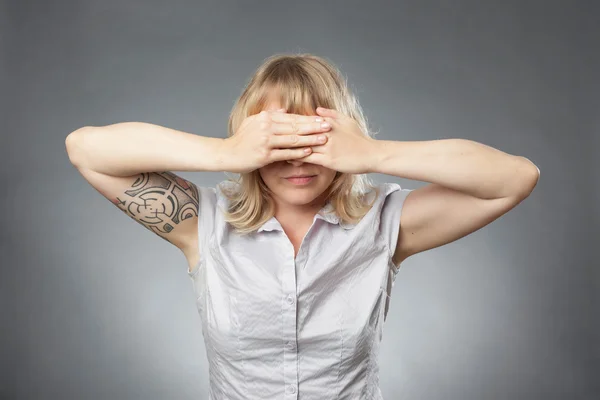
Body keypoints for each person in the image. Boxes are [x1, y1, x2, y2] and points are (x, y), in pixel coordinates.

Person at [65, 53, 540, 399]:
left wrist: (375, 154)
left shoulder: (387, 223)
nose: (297, 158)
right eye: (278, 138)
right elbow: (86, 149)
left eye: (313, 136)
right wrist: (223, 153)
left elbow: (516, 178)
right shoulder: (202, 223)